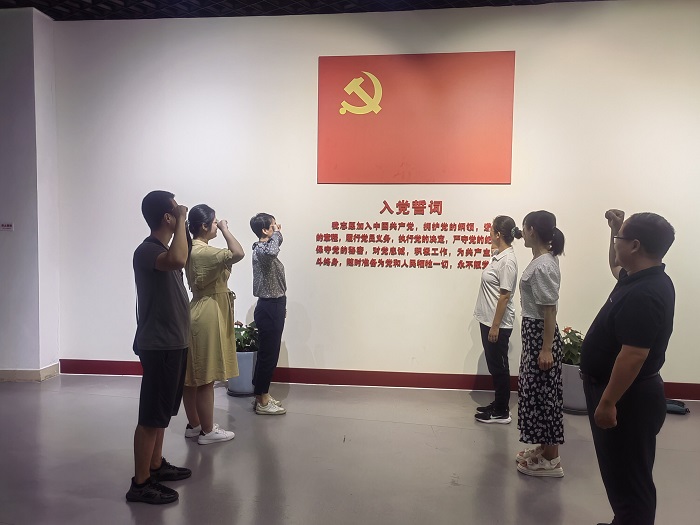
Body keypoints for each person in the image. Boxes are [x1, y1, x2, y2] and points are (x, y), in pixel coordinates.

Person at [580, 210, 675, 525]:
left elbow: (633, 355)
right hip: (623, 394)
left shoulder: (645, 293)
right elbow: (615, 266)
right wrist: (614, 229)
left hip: (627, 400)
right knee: (621, 477)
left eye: (619, 238)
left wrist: (608, 402)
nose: (615, 243)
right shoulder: (640, 277)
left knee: (631, 484)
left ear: (635, 245)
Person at [126, 190, 192, 505]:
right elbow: (179, 259)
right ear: (167, 217)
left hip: (174, 342)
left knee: (163, 412)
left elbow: (183, 255)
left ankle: (155, 465)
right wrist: (183, 217)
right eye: (175, 210)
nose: (180, 212)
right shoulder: (147, 250)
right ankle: (140, 484)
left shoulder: (165, 248)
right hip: (159, 344)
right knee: (152, 415)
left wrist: (182, 224)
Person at [182, 204, 245, 444]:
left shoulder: (191, 249)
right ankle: (208, 431)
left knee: (192, 376)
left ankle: (195, 424)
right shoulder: (203, 252)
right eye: (215, 222)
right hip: (208, 312)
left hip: (200, 309)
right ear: (204, 226)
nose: (217, 225)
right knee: (205, 377)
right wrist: (227, 230)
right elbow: (238, 253)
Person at [514, 210, 566, 477]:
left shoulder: (544, 264)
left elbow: (549, 310)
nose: (522, 233)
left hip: (540, 336)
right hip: (533, 333)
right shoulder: (541, 260)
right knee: (537, 392)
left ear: (532, 230)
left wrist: (546, 349)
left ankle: (552, 459)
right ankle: (545, 449)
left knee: (545, 396)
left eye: (524, 228)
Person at [473, 215, 519, 424]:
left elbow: (505, 295)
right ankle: (498, 403)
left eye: (491, 229)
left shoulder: (507, 261)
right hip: (489, 320)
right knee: (494, 365)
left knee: (499, 367)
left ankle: (501, 411)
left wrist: (495, 326)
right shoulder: (499, 256)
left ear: (499, 234)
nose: (489, 232)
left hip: (496, 323)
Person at [250, 213, 287, 415]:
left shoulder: (263, 249)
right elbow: (273, 249)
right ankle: (262, 401)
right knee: (268, 356)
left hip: (274, 305)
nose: (277, 227)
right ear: (265, 230)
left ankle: (261, 394)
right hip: (270, 306)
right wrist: (278, 233)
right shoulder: (263, 250)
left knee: (269, 354)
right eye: (273, 226)